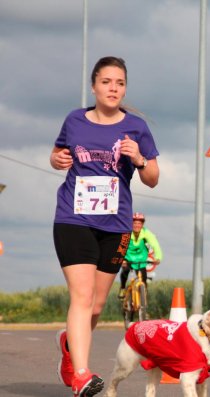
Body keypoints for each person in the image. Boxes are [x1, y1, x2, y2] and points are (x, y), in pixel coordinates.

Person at [50, 56, 160, 397]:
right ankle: (82, 374)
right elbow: (57, 155)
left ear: (124, 88)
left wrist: (139, 158)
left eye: (120, 83)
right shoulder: (74, 120)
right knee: (81, 297)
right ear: (94, 86)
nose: (113, 88)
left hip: (115, 224)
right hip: (74, 218)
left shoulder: (137, 128)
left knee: (96, 305)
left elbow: (153, 179)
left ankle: (70, 346)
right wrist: (56, 159)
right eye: (107, 82)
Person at [118, 211, 163, 299]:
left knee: (144, 278)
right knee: (125, 271)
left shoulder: (146, 233)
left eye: (139, 223)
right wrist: (121, 259)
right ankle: (123, 288)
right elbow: (121, 246)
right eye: (134, 223)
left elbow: (155, 244)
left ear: (142, 224)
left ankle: (143, 300)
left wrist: (158, 258)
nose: (137, 225)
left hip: (141, 259)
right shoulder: (126, 232)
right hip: (128, 258)